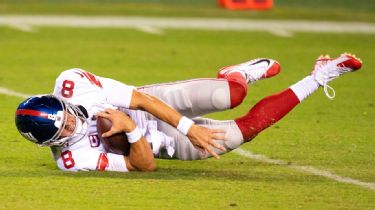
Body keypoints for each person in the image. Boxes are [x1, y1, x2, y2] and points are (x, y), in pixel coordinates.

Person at [15, 53, 362, 172]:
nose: (74, 124)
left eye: (69, 116)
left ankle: (237, 72)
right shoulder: (71, 160)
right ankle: (321, 75)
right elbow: (143, 166)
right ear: (52, 142)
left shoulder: (73, 83)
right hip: (152, 142)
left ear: (59, 100)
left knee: (232, 93)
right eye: (65, 130)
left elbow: (142, 102)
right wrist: (130, 131)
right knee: (247, 130)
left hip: (153, 104)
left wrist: (187, 126)